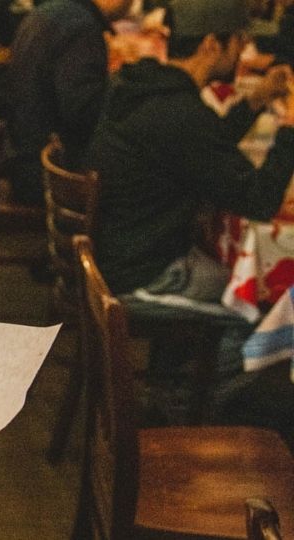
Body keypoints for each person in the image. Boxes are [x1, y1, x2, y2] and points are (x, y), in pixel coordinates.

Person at [87, 0, 294, 430]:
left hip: (123, 252)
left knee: (228, 276)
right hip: (143, 275)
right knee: (261, 313)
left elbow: (202, 150)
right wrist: (290, 131)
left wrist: (253, 102)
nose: (242, 53)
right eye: (238, 42)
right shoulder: (180, 113)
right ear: (211, 44)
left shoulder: (143, 87)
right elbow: (257, 199)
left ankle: (170, 385)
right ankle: (192, 419)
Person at [3, 0, 134, 205]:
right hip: (43, 176)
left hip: (20, 156)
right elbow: (83, 115)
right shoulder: (81, 29)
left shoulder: (51, 10)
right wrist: (120, 79)